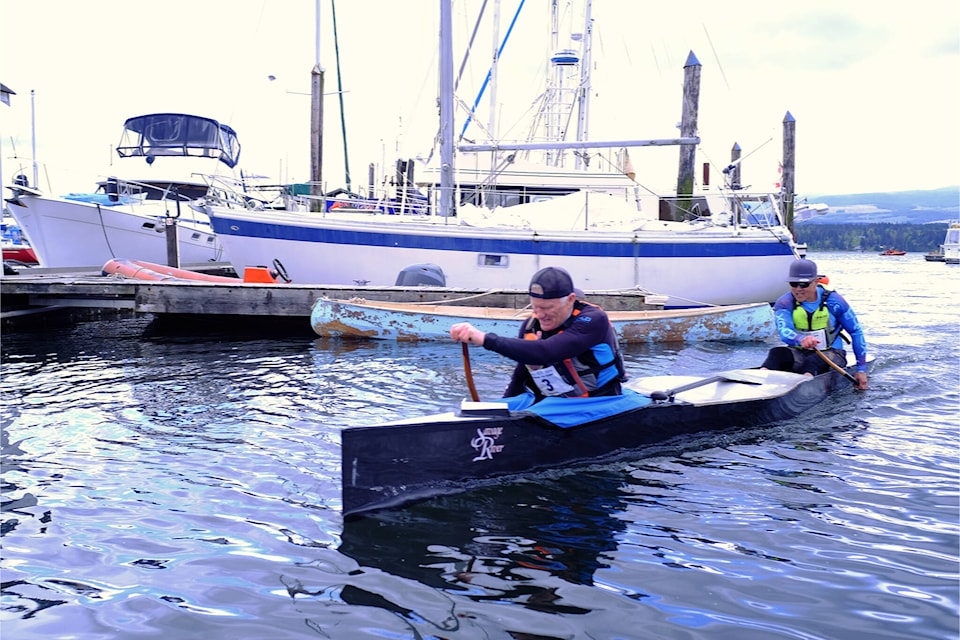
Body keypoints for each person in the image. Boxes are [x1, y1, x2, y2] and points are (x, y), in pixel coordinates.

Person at [450, 266, 625, 401]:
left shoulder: (594, 320)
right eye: (535, 307)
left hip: (598, 400)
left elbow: (546, 352)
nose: (540, 314)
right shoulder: (530, 325)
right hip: (554, 401)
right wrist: (502, 413)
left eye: (548, 308)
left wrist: (485, 339)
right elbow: (522, 374)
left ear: (571, 300)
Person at [761, 258, 869, 390]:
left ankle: (804, 387)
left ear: (816, 282)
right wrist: (801, 339)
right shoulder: (784, 303)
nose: (798, 289)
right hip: (800, 352)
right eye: (794, 284)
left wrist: (861, 369)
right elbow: (784, 331)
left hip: (832, 353)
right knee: (777, 353)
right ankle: (760, 381)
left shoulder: (835, 302)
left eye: (804, 285)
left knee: (813, 361)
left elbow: (855, 332)